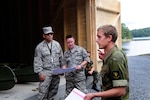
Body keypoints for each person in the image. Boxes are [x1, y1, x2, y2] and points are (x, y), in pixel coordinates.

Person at [84, 25, 129, 100]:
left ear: (109, 38)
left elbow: (121, 91)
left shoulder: (115, 58)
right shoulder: (112, 55)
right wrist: (105, 59)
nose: (96, 40)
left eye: (99, 37)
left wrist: (94, 94)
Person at [33, 26, 63, 100]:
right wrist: (40, 73)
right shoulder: (39, 47)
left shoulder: (57, 44)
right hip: (46, 72)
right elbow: (37, 61)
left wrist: (62, 68)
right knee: (43, 92)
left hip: (56, 70)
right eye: (48, 34)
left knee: (54, 90)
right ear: (44, 35)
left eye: (51, 34)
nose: (50, 35)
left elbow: (61, 57)